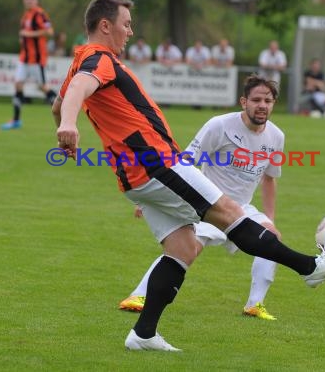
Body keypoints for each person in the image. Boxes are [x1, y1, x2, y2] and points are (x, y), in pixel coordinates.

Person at [53, 0, 325, 352]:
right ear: (105, 25)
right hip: (156, 163)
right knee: (231, 213)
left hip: (133, 176)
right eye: (126, 24)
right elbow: (76, 92)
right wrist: (70, 125)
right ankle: (310, 268)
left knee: (184, 247)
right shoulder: (98, 59)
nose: (130, 32)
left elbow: (60, 102)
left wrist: (64, 125)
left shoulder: (78, 62)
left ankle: (144, 334)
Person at [120, 74, 286, 321]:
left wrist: (269, 218)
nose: (262, 105)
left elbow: (270, 178)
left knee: (271, 239)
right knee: (186, 250)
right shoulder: (219, 126)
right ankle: (139, 295)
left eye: (268, 100)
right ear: (244, 101)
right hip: (208, 205)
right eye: (257, 99)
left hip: (241, 208)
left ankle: (255, 304)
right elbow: (184, 162)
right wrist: (155, 198)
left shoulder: (276, 137)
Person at [1, 0, 57, 130]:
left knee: (43, 87)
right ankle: (16, 120)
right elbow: (24, 35)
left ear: (36, 0)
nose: (29, 1)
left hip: (36, 59)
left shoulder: (39, 14)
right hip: (24, 58)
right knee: (18, 84)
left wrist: (29, 34)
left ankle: (65, 111)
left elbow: (49, 31)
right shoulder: (26, 15)